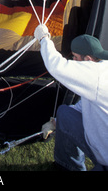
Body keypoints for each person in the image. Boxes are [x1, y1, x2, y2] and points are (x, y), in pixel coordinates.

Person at [34, 25, 108, 171]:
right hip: (101, 144)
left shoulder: (97, 76)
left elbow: (57, 67)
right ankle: (67, 165)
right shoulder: (100, 69)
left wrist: (43, 38)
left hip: (105, 155)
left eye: (75, 57)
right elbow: (85, 104)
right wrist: (57, 122)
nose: (72, 60)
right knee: (64, 113)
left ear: (87, 59)